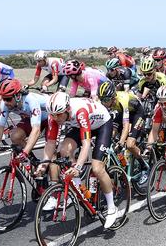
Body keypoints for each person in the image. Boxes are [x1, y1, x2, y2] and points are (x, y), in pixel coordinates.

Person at [37, 92, 123, 229]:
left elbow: (86, 143)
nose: (56, 118)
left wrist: (78, 167)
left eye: (59, 114)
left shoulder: (79, 111)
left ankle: (112, 208)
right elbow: (51, 143)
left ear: (67, 109)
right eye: (53, 115)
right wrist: (44, 162)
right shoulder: (54, 115)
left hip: (102, 125)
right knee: (64, 151)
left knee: (97, 168)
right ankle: (78, 188)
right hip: (80, 126)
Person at [0, 79, 49, 161]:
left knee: (50, 152)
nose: (6, 102)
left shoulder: (30, 100)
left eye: (8, 99)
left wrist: (25, 152)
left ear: (18, 96)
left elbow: (36, 130)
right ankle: (34, 162)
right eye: (3, 98)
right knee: (15, 136)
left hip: (51, 118)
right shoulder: (5, 104)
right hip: (31, 117)